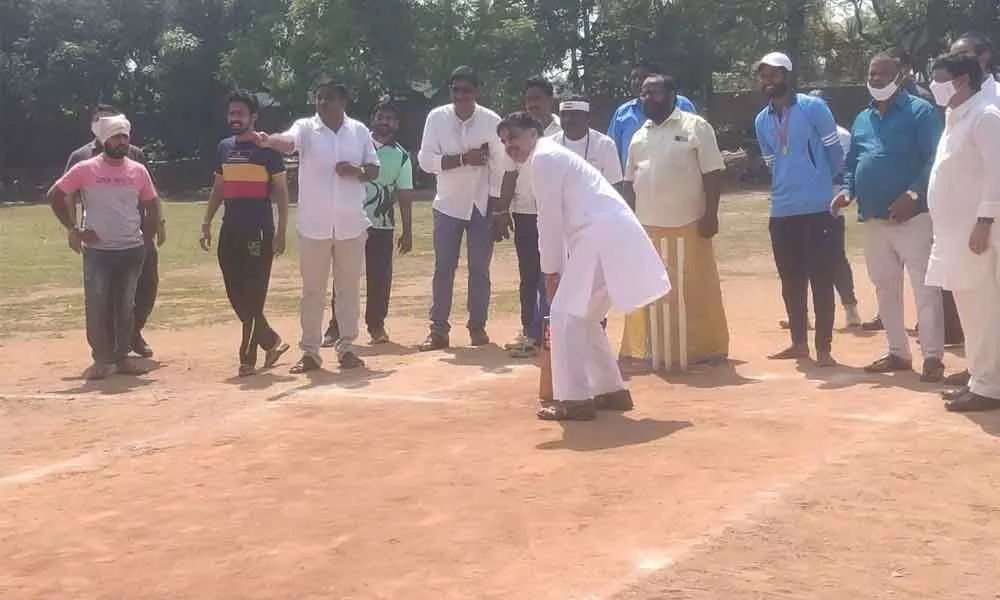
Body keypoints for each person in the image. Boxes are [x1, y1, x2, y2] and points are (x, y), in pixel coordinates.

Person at [497, 111, 671, 421]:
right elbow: (559, 221)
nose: (509, 146)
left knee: (564, 316)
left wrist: (550, 271)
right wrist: (557, 269)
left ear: (532, 133)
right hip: (608, 236)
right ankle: (611, 391)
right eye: (504, 142)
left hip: (601, 237)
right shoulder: (550, 155)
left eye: (513, 137)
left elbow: (548, 220)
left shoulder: (545, 158)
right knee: (586, 317)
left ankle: (574, 399)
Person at [831, 52, 945, 382]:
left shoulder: (920, 112)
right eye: (872, 72)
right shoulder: (862, 118)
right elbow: (853, 163)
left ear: (901, 75)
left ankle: (934, 357)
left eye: (883, 73)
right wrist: (848, 191)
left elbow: (933, 159)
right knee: (884, 289)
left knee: (925, 288)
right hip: (874, 220)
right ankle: (897, 351)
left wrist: (912, 195)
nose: (876, 78)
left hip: (913, 218)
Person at [254, 81, 380, 373]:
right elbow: (288, 141)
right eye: (319, 98)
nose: (323, 103)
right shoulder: (306, 128)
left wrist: (355, 171)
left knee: (348, 289)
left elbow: (374, 170)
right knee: (312, 291)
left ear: (343, 102)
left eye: (330, 98)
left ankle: (347, 347)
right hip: (314, 226)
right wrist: (269, 140)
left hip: (351, 224)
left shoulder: (359, 131)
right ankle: (310, 352)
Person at [619, 74, 729, 368]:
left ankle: (705, 348)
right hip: (647, 225)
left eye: (653, 92)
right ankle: (649, 348)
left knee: (694, 289)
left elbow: (712, 173)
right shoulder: (639, 135)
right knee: (650, 289)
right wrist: (628, 221)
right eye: (643, 93)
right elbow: (630, 181)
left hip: (689, 221)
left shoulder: (696, 126)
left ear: (671, 95)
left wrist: (711, 214)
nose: (646, 98)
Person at [47, 115, 162, 379]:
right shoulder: (85, 168)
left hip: (131, 250)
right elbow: (56, 195)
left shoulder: (138, 170)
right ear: (104, 140)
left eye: (124, 136)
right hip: (99, 252)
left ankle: (122, 357)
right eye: (115, 136)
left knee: (126, 305)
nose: (121, 141)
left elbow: (152, 204)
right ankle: (102, 358)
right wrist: (73, 229)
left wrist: (146, 238)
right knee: (97, 304)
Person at [754, 52, 845, 366]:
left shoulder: (813, 107)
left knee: (821, 277)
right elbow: (771, 162)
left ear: (788, 75)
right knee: (790, 279)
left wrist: (833, 187)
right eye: (764, 75)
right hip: (781, 210)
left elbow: (834, 152)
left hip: (818, 207)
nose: (768, 80)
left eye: (774, 74)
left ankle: (824, 347)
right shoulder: (761, 120)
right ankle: (798, 343)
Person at [925, 52, 1000, 412]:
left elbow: (996, 173)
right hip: (953, 234)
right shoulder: (954, 116)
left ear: (962, 80)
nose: (933, 85)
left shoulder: (986, 117)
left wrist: (985, 220)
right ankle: (978, 377)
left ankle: (990, 385)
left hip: (977, 234)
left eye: (938, 78)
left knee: (984, 309)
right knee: (968, 308)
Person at [199, 90, 291, 377]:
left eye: (241, 113)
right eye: (232, 113)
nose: (235, 118)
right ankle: (271, 341)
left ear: (254, 117)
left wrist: (281, 232)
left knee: (253, 294)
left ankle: (247, 356)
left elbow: (281, 193)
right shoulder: (224, 147)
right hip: (230, 229)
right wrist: (206, 222)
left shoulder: (268, 151)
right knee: (235, 292)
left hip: (259, 231)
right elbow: (218, 188)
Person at [417, 66, 504, 351]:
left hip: (481, 204)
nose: (462, 96)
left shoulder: (491, 120)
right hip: (448, 205)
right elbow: (425, 160)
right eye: (457, 90)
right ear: (451, 92)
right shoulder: (436, 118)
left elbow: (500, 166)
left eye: (467, 90)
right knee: (444, 269)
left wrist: (496, 206)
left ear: (476, 92)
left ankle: (477, 327)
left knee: (480, 269)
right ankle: (438, 330)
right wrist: (462, 159)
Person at [323, 99, 415, 347]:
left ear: (397, 124)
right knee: (344, 277)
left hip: (382, 225)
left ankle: (376, 326)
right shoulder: (356, 145)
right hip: (350, 221)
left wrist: (408, 231)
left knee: (380, 278)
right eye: (381, 116)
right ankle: (335, 327)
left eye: (390, 119)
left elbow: (405, 194)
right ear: (373, 117)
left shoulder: (401, 156)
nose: (384, 122)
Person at [495, 78, 563, 358]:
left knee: (553, 273)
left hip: (556, 215)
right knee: (529, 274)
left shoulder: (562, 130)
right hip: (525, 213)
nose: (533, 104)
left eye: (538, 98)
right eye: (528, 100)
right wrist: (501, 211)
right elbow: (509, 173)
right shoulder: (516, 133)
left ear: (550, 100)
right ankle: (529, 330)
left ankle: (553, 330)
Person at [608, 61, 697, 169]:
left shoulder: (682, 104)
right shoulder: (622, 113)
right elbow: (611, 152)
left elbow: (695, 141)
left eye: (643, 77)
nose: (637, 82)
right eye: (633, 77)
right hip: (635, 182)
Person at [554, 95, 623, 186]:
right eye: (563, 115)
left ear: (588, 117)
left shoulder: (606, 145)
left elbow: (614, 185)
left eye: (574, 115)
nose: (568, 120)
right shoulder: (549, 144)